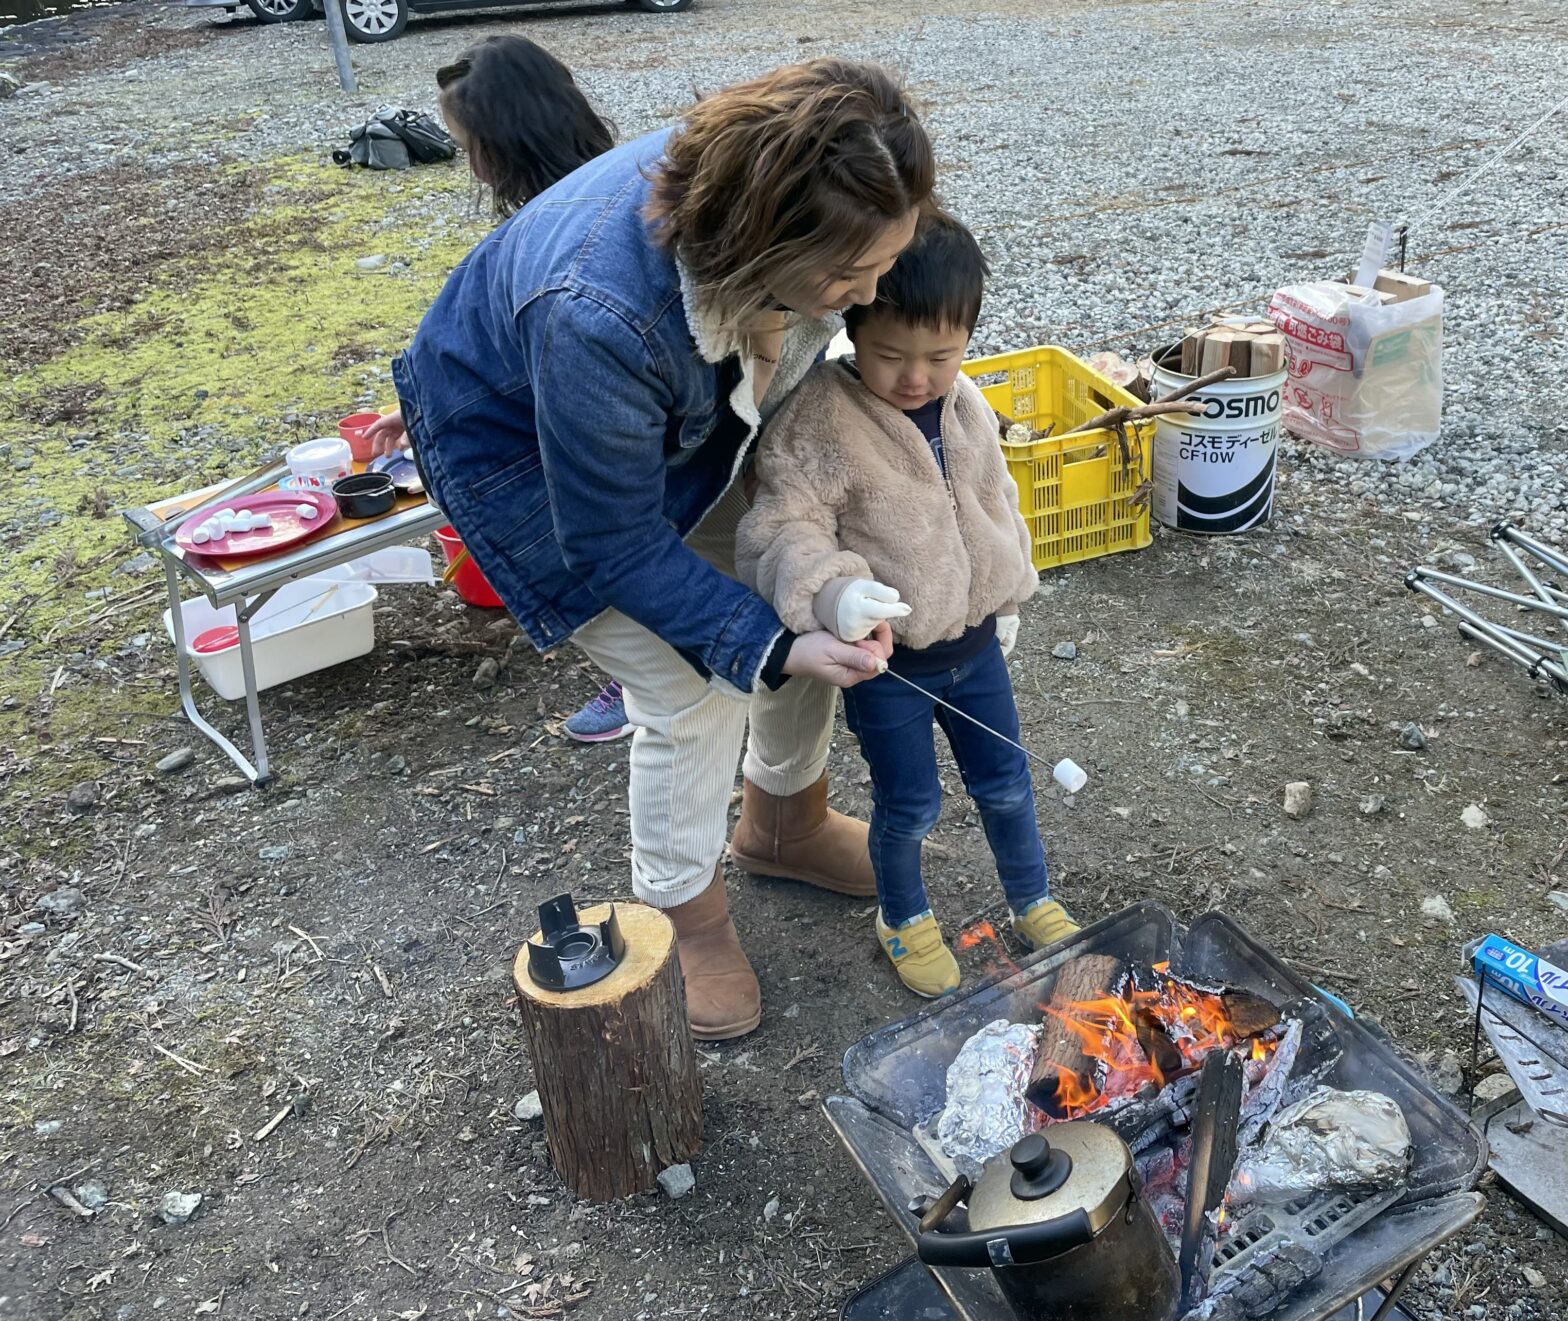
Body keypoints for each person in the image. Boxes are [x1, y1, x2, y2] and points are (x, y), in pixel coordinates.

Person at [393, 60, 935, 1039]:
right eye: (851, 279)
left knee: (807, 587)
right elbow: (607, 538)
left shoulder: (802, 204)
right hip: (515, 447)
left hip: (689, 398)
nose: (872, 292)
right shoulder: (597, 311)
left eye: (883, 262)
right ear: (760, 245)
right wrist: (755, 646)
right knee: (693, 683)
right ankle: (687, 918)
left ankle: (783, 827)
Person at [736, 211, 1078, 999]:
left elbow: (995, 499)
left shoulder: (967, 408)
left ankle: (1033, 896)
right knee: (910, 801)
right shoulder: (823, 414)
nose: (918, 376)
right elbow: (782, 522)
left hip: (976, 646)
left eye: (942, 355)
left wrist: (1008, 588)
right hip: (891, 664)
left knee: (1006, 781)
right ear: (855, 321)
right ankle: (903, 914)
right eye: (891, 355)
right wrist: (834, 589)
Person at [358, 36, 632, 745]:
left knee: (621, 527)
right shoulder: (610, 175)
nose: (470, 164)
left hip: (620, 423)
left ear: (502, 142)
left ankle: (644, 678)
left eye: (468, 143)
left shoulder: (564, 233)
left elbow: (561, 367)